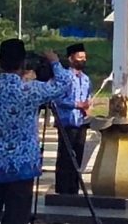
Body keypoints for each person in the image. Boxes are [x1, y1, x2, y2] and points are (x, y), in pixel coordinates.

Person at [0, 39, 71, 224]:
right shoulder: (30, 90)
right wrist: (54, 61)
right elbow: (64, 83)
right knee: (17, 217)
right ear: (23, 63)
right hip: (21, 166)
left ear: (0, 61)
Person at [55, 43, 92, 195]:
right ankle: (63, 190)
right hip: (66, 122)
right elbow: (57, 100)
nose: (82, 60)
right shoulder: (64, 77)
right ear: (71, 59)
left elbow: (88, 96)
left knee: (78, 157)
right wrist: (76, 104)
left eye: (84, 57)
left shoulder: (86, 79)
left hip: (81, 122)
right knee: (66, 157)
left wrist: (88, 105)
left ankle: (74, 189)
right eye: (79, 57)